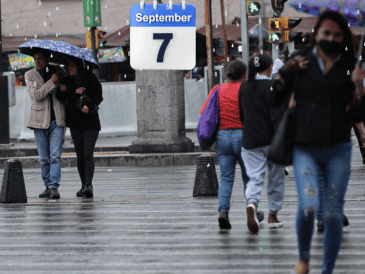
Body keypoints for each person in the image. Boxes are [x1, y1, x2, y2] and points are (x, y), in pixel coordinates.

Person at [270, 11, 364, 274]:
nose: (331, 39)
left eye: (337, 34)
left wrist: (360, 91)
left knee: (333, 212)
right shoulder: (300, 60)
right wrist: (286, 73)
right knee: (309, 207)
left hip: (338, 148)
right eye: (326, 33)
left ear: (343, 36)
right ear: (316, 34)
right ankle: (303, 257)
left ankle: (328, 269)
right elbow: (274, 98)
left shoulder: (350, 65)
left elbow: (357, 114)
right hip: (305, 147)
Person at [200, 60, 264, 229]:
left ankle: (223, 212)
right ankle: (252, 209)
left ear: (227, 74)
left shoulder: (218, 89)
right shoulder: (248, 88)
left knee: (226, 178)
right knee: (248, 177)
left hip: (222, 138)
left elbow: (204, 111)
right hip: (244, 136)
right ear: (245, 74)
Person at [238, 53, 286, 234]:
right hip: (272, 140)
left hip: (250, 140)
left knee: (255, 177)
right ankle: (273, 215)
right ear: (270, 67)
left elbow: (242, 114)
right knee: (276, 178)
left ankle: (252, 203)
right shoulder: (274, 86)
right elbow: (279, 115)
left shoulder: (244, 86)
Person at [56, 57, 103, 198]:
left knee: (88, 153)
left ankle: (89, 185)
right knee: (80, 156)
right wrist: (73, 91)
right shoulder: (66, 81)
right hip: (75, 123)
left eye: (73, 66)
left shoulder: (91, 78)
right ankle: (83, 186)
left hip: (90, 122)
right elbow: (59, 95)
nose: (69, 68)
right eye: (68, 65)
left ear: (80, 67)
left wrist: (88, 105)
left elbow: (99, 96)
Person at [25, 49, 65, 199]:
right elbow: (36, 95)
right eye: (35, 59)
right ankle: (47, 186)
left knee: (55, 155)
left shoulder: (59, 72)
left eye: (41, 58)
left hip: (57, 119)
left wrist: (63, 87)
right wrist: (51, 82)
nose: (37, 61)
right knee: (44, 157)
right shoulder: (30, 75)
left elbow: (64, 95)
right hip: (39, 120)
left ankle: (54, 186)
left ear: (48, 59)